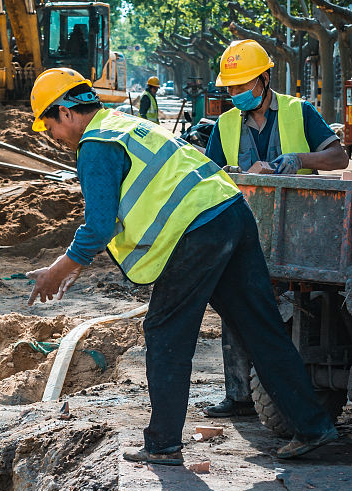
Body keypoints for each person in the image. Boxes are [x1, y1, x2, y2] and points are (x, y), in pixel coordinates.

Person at [26, 66, 338, 464]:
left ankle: (163, 444)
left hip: (197, 230)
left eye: (50, 126)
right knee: (260, 325)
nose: (53, 136)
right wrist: (73, 265)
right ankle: (312, 425)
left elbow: (98, 226)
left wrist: (58, 270)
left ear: (66, 112)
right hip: (231, 212)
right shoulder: (125, 124)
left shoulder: (97, 144)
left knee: (165, 330)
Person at [204, 40, 348, 418]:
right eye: (231, 88)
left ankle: (303, 385)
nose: (236, 94)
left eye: (243, 85)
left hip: (303, 232)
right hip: (245, 230)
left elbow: (338, 157)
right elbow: (207, 179)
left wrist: (298, 159)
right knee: (237, 303)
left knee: (309, 305)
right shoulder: (225, 124)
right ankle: (239, 395)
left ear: (265, 79)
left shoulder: (299, 111)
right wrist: (232, 174)